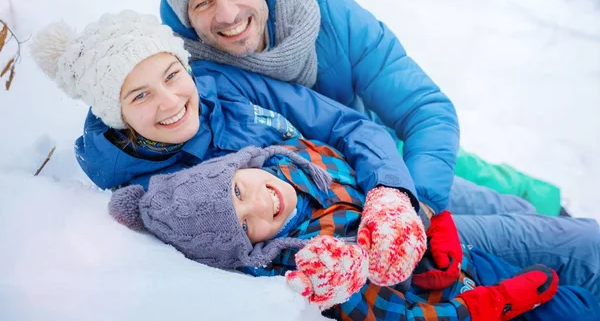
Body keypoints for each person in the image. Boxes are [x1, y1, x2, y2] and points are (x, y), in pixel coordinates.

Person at [150, 0, 600, 289]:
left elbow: (423, 109)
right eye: (202, 3)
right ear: (185, 18)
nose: (227, 15)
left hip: (386, 157)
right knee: (543, 241)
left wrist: (414, 205)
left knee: (492, 190)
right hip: (339, 202)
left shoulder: (326, 12)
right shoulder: (193, 82)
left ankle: (546, 205)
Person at [30, 11, 600, 298]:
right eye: (140, 95)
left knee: (529, 216)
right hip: (375, 239)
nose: (173, 100)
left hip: (384, 181)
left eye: (172, 74)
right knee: (576, 250)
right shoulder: (158, 191)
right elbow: (251, 254)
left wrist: (392, 194)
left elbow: (346, 123)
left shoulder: (222, 86)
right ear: (114, 111)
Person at [107, 139, 600, 320]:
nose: (261, 204)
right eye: (246, 227)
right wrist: (479, 308)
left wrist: (430, 220)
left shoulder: (302, 156)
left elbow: (371, 152)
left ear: (240, 167)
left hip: (457, 252)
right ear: (250, 252)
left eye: (240, 191)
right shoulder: (312, 262)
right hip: (475, 300)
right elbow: (389, 315)